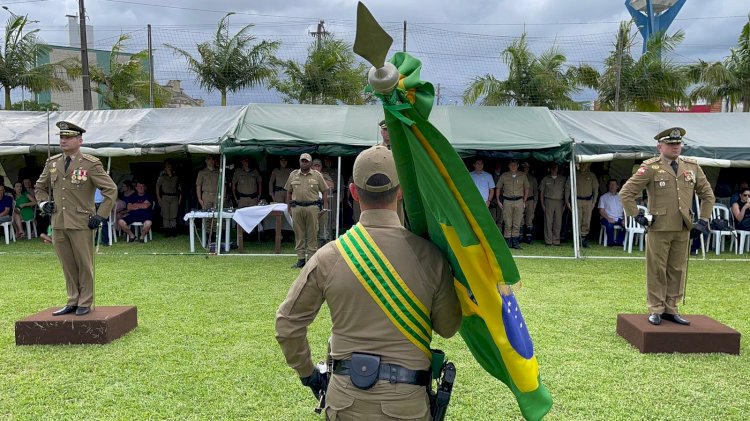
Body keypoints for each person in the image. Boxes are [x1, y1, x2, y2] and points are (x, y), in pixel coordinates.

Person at [275, 145, 461, 420]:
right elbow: (447, 328)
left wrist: (309, 375)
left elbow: (287, 325)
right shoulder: (431, 256)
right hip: (407, 405)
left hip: (345, 402)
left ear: (352, 192)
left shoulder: (329, 256)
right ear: (401, 192)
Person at [619, 127, 714, 326]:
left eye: (678, 144)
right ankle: (656, 308)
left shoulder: (692, 166)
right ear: (660, 146)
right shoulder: (651, 167)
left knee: (677, 269)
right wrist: (636, 215)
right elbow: (626, 192)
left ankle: (671, 308)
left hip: (683, 226)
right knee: (657, 269)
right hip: (659, 226)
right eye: (671, 144)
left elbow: (707, 195)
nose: (675, 147)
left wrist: (704, 221)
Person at [35, 121, 117, 316]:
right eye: (61, 137)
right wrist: (43, 204)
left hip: (82, 221)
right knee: (67, 263)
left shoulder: (91, 163)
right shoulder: (52, 163)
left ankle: (85, 302)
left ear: (80, 140)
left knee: (84, 263)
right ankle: (73, 300)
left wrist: (100, 215)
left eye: (68, 137)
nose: (63, 140)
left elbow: (111, 190)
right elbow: (39, 187)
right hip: (59, 221)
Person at [285, 153, 329, 268]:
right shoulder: (293, 175)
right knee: (299, 234)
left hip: (312, 208)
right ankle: (300, 259)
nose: (304, 163)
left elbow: (324, 190)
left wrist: (324, 206)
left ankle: (310, 259)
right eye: (302, 161)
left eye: (306, 161)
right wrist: (288, 207)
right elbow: (289, 192)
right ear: (299, 162)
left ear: (310, 163)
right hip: (297, 207)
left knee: (312, 233)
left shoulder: (317, 175)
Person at [495, 159, 529, 249]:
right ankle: (508, 242)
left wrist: (524, 201)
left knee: (517, 222)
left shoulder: (522, 175)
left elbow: (527, 188)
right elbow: (498, 187)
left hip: (519, 201)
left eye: (515, 165)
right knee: (507, 222)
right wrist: (498, 200)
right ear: (508, 166)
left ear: (517, 166)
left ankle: (515, 242)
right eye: (511, 165)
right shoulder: (504, 175)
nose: (513, 166)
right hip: (507, 201)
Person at [566, 162, 599, 248]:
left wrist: (594, 201)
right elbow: (568, 188)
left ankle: (583, 239)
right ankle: (576, 240)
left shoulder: (592, 176)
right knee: (577, 220)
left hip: (588, 201)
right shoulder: (574, 174)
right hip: (577, 200)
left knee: (586, 220)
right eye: (582, 164)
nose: (583, 166)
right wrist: (567, 200)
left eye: (585, 164)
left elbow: (595, 189)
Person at [540, 163, 566, 246]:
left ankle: (556, 240)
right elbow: (542, 192)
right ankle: (548, 241)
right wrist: (542, 204)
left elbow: (566, 192)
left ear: (558, 169)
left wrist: (565, 204)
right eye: (552, 168)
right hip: (548, 201)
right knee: (548, 221)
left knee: (558, 221)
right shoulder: (545, 179)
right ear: (550, 169)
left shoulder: (563, 178)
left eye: (555, 168)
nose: (554, 169)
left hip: (559, 201)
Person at [156, 160, 181, 237]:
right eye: (167, 167)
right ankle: (167, 231)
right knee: (166, 215)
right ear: (165, 168)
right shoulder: (162, 177)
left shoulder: (176, 177)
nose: (169, 168)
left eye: (170, 167)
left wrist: (180, 199)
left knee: (173, 214)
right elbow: (157, 186)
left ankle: (173, 230)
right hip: (165, 196)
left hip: (174, 197)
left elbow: (180, 188)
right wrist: (158, 198)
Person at [313, 159, 334, 246]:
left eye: (319, 166)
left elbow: (332, 185)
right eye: (315, 165)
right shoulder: (307, 175)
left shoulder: (325, 175)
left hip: (323, 202)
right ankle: (312, 241)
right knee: (312, 223)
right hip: (311, 203)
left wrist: (320, 178)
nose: (317, 168)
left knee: (323, 222)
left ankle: (323, 240)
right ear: (311, 166)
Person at [598, 179, 626, 247]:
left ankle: (619, 241)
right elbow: (601, 210)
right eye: (610, 184)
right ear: (608, 186)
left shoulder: (622, 197)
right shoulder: (603, 197)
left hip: (619, 218)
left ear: (617, 186)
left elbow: (625, 210)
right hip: (606, 218)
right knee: (609, 225)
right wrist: (608, 218)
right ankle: (610, 242)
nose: (612, 186)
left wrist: (625, 219)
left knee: (627, 225)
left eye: (614, 184)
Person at [521, 161, 538, 244]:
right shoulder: (518, 177)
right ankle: (520, 236)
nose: (525, 169)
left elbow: (536, 192)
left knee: (529, 218)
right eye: (524, 167)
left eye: (526, 167)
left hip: (530, 200)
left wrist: (535, 203)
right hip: (520, 200)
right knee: (520, 218)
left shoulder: (532, 179)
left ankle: (529, 237)